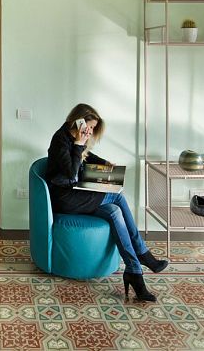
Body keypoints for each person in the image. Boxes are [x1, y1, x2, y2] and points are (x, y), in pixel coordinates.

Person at [45, 103, 168, 302]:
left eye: (93, 128)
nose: (90, 131)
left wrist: (104, 163)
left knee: (114, 212)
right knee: (117, 196)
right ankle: (143, 253)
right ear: (78, 121)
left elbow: (85, 156)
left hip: (76, 196)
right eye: (89, 126)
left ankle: (134, 271)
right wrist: (79, 143)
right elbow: (71, 174)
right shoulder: (61, 139)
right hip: (64, 199)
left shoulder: (75, 137)